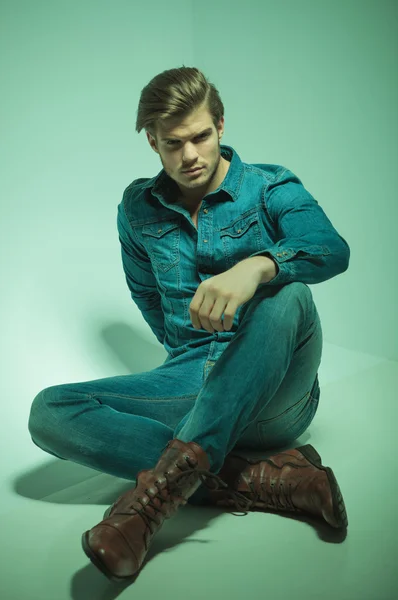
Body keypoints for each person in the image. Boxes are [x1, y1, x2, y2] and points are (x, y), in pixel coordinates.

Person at [28, 66, 350, 583]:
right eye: (173, 143)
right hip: (192, 379)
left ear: (221, 126)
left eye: (201, 136)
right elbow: (144, 292)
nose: (191, 155)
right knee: (49, 410)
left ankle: (150, 506)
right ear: (152, 141)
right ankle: (262, 479)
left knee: (288, 294)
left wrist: (257, 267)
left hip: (277, 393)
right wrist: (185, 354)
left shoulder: (271, 186)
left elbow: (332, 249)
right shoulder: (137, 208)